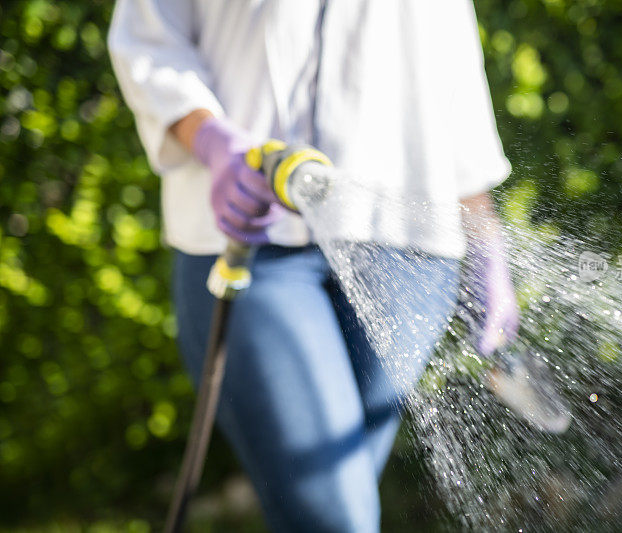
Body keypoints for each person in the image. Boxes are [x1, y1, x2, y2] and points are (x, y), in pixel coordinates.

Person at [108, 1, 519, 531]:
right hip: (255, 242)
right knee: (336, 519)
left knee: (330, 502)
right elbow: (149, 39)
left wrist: (486, 239)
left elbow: (451, 66)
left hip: (409, 251)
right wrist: (215, 142)